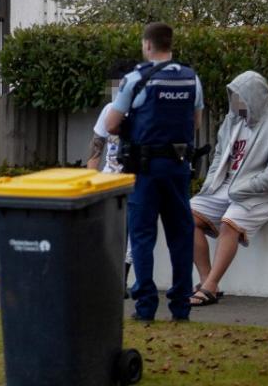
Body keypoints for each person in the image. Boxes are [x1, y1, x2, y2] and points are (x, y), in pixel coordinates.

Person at [104, 22, 203, 322]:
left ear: (148, 45)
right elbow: (195, 124)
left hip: (144, 169)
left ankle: (145, 306)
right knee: (181, 236)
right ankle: (181, 307)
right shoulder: (191, 79)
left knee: (143, 236)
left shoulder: (136, 79)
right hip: (178, 167)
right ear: (170, 45)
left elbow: (110, 125)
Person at [190, 71, 268, 307]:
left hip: (264, 194)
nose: (234, 102)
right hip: (227, 187)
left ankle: (208, 287)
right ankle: (208, 281)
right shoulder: (233, 119)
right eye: (233, 96)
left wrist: (245, 188)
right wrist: (210, 184)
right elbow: (220, 154)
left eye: (239, 96)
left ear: (254, 97)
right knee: (186, 217)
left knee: (230, 223)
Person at [86, 59, 139, 295]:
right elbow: (96, 146)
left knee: (131, 227)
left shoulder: (141, 109)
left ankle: (122, 278)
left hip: (135, 179)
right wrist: (89, 181)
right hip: (110, 178)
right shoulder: (109, 110)